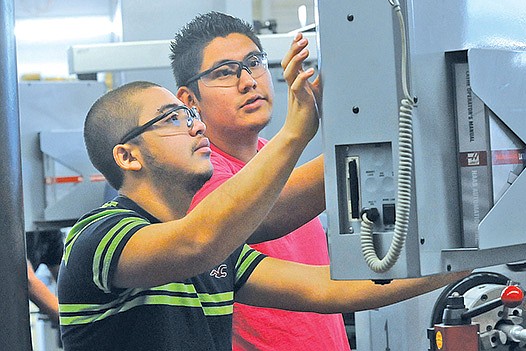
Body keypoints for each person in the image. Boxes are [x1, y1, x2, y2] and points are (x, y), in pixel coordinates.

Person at [57, 80, 468, 351]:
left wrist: (461, 262)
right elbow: (196, 242)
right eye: (173, 119)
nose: (195, 128)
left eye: (191, 117)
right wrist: (295, 132)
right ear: (128, 156)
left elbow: (327, 289)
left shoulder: (218, 252)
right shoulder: (98, 236)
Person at [170, 11, 347, 350]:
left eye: (253, 63)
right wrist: (365, 137)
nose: (248, 81)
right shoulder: (199, 176)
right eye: (223, 72)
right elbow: (270, 212)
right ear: (189, 100)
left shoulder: (272, 160)